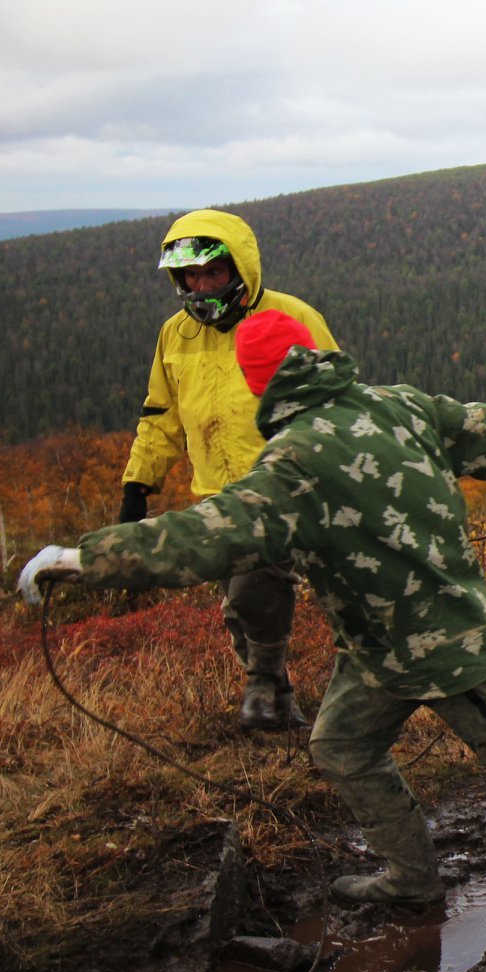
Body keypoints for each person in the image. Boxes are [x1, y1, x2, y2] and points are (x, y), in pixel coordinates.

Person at [20, 311, 486, 905]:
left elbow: (203, 537)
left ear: (258, 385)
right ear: (315, 358)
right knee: (342, 745)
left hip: (449, 650)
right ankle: (411, 879)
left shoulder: (293, 461)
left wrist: (83, 560)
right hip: (378, 650)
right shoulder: (399, 403)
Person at [120, 209, 338, 730]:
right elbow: (161, 415)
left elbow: (336, 398)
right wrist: (138, 484)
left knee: (283, 593)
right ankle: (276, 700)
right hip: (219, 492)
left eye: (212, 273)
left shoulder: (292, 317)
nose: (201, 286)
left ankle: (306, 695)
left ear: (239, 267)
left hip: (292, 487)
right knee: (245, 606)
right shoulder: (175, 335)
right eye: (190, 276)